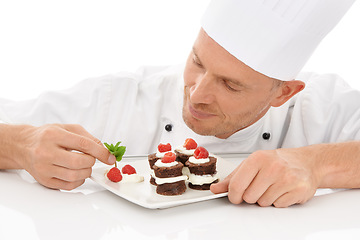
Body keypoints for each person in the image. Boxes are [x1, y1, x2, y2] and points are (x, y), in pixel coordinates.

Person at [0, 0, 359, 208]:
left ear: (284, 93)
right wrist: (21, 145)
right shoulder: (121, 98)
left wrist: (316, 165)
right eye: (198, 62)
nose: (197, 93)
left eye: (231, 85)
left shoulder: (321, 106)